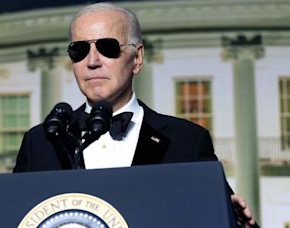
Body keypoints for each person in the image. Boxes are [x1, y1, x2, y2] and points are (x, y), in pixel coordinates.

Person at [13, 2, 258, 227]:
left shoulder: (188, 142)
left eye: (107, 47)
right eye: (79, 50)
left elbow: (218, 217)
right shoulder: (41, 142)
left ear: (137, 58)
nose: (92, 61)